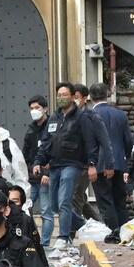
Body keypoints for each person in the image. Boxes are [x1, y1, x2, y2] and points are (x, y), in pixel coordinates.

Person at [32, 84, 109, 246]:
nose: (61, 98)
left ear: (73, 96)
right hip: (55, 165)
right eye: (59, 95)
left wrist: (92, 164)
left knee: (64, 201)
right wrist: (38, 161)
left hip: (73, 164)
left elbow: (90, 142)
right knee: (54, 205)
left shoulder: (82, 117)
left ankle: (63, 237)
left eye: (65, 95)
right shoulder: (54, 117)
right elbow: (46, 142)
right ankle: (83, 224)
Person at [87, 83, 132, 234]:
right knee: (120, 202)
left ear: (90, 97)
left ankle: (114, 233)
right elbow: (128, 141)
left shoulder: (89, 115)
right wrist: (126, 161)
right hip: (119, 163)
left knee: (106, 202)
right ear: (106, 94)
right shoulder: (120, 114)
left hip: (99, 165)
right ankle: (125, 233)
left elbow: (90, 142)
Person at [23, 95, 54, 245]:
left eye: (37, 108)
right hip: (31, 177)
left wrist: (47, 172)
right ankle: (31, 238)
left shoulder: (52, 126)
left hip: (45, 177)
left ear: (45, 109)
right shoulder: (30, 130)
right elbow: (25, 154)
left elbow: (55, 152)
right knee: (25, 209)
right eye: (32, 108)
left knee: (46, 212)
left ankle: (46, 243)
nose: (34, 111)